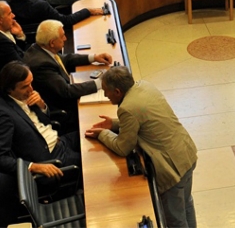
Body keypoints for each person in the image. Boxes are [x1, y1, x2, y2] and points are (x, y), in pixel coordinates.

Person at [85, 67, 198, 227]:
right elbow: (143, 118)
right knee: (186, 204)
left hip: (171, 169)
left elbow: (122, 147)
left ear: (117, 91)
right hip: (185, 153)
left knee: (175, 220)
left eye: (106, 91)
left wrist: (103, 134)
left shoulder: (126, 108)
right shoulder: (145, 86)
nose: (105, 95)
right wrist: (114, 124)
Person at [24, 20, 112, 132]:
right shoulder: (41, 65)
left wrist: (93, 57)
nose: (65, 38)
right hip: (64, 109)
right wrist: (100, 82)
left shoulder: (39, 48)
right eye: (62, 36)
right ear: (52, 43)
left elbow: (65, 59)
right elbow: (67, 91)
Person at [0, 61, 81, 176]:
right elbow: (2, 158)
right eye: (25, 87)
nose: (31, 89)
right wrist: (33, 166)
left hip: (59, 141)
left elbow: (46, 122)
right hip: (52, 157)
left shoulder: (25, 95)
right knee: (93, 159)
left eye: (31, 83)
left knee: (93, 134)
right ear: (9, 89)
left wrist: (41, 105)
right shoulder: (4, 115)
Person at [0, 1, 27, 71]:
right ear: (0, 20)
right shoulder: (2, 42)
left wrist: (19, 35)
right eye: (9, 14)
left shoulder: (7, 31)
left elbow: (19, 51)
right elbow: (21, 65)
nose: (13, 15)